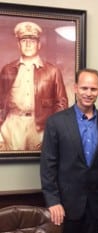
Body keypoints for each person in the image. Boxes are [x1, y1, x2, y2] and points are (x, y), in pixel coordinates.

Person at [40, 68, 98, 233]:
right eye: (84, 87)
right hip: (66, 206)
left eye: (93, 89)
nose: (88, 93)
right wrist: (53, 201)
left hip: (97, 206)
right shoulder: (56, 122)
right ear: (75, 88)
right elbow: (48, 165)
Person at [0, 21, 68, 151]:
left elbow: (62, 104)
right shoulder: (7, 70)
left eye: (32, 41)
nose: (28, 44)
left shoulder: (52, 71)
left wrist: (51, 130)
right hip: (12, 126)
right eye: (24, 40)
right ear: (18, 44)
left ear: (39, 45)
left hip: (40, 128)